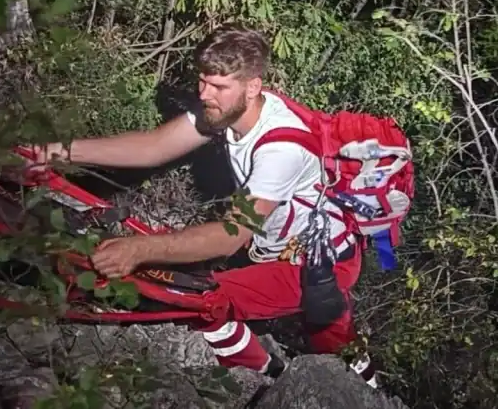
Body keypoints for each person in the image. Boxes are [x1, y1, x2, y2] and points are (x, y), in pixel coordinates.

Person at [28, 23, 377, 385]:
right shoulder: (230, 109)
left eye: (218, 87)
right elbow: (153, 147)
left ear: (253, 86)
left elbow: (230, 235)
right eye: (202, 81)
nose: (204, 94)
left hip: (318, 261)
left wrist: (139, 248)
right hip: (295, 247)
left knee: (203, 301)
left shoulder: (281, 150)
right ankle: (310, 375)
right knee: (327, 326)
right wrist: (56, 152)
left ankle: (281, 378)